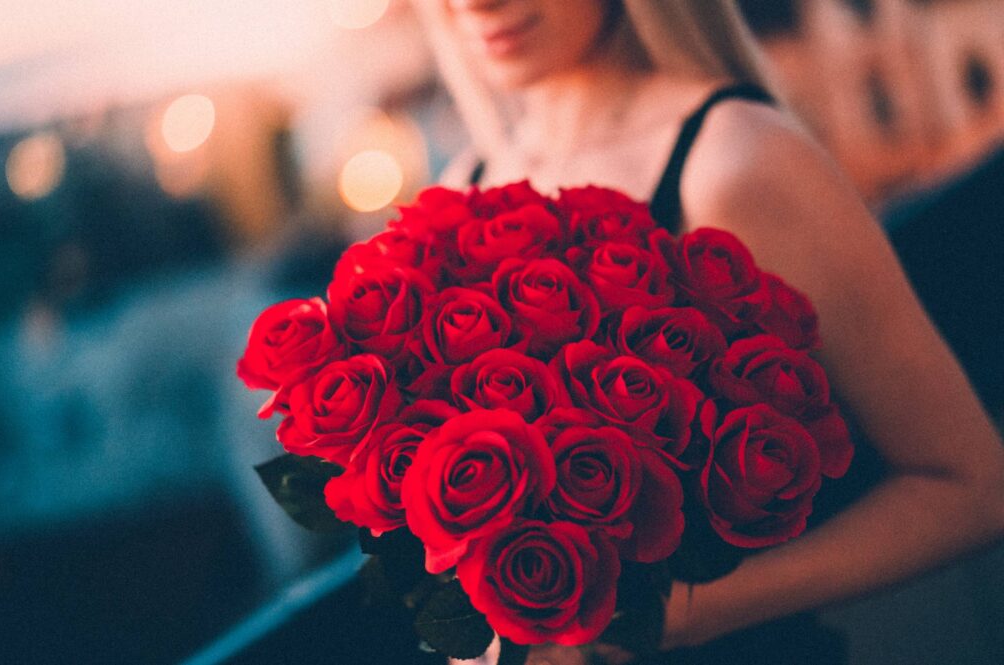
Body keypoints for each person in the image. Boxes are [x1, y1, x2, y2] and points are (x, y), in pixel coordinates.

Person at [412, 1, 1004, 663]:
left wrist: (682, 615)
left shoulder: (734, 157)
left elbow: (971, 485)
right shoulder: (464, 188)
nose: (473, 3)